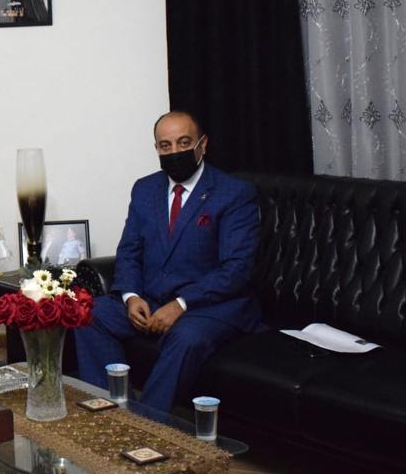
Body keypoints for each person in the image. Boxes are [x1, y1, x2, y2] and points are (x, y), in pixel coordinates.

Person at [73, 111, 263, 412]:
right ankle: (111, 412)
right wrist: (130, 296)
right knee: (89, 312)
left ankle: (148, 425)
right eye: (166, 145)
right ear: (157, 149)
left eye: (184, 142)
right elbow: (129, 251)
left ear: (203, 145)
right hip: (151, 299)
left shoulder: (234, 193)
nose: (175, 151)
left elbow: (236, 269)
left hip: (208, 306)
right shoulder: (145, 189)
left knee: (186, 338)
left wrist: (180, 305)